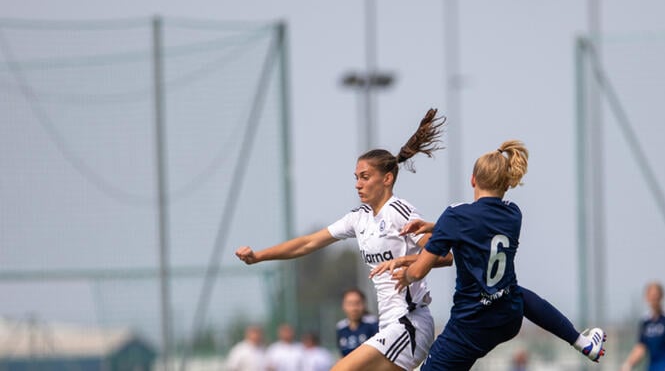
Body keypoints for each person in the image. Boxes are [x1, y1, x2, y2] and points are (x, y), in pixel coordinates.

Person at [235, 108, 453, 371]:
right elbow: (308, 243)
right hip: (390, 324)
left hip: (410, 323)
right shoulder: (358, 218)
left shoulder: (400, 212)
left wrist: (405, 262)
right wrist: (258, 256)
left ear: (387, 179)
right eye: (356, 178)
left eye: (365, 177)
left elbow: (444, 255)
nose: (358, 184)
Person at [388, 140, 605, 370]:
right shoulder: (513, 213)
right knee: (518, 293)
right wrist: (435, 226)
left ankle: (581, 342)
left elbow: (420, 269)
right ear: (507, 184)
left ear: (473, 179)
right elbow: (480, 228)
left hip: (471, 322)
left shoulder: (455, 216)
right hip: (507, 317)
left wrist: (407, 276)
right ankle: (582, 342)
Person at [335, 288, 379, 357]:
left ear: (364, 305)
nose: (353, 308)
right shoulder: (341, 328)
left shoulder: (373, 324)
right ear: (343, 306)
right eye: (349, 304)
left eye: (357, 303)